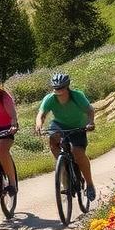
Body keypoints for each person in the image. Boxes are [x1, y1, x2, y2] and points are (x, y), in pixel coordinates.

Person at [34, 73, 97, 201]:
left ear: (67, 87)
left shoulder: (77, 96)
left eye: (61, 88)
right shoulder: (50, 98)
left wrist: (90, 122)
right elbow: (41, 114)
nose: (59, 91)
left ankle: (89, 184)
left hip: (78, 126)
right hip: (59, 125)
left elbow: (90, 110)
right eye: (56, 88)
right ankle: (62, 164)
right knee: (53, 139)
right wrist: (39, 125)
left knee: (77, 153)